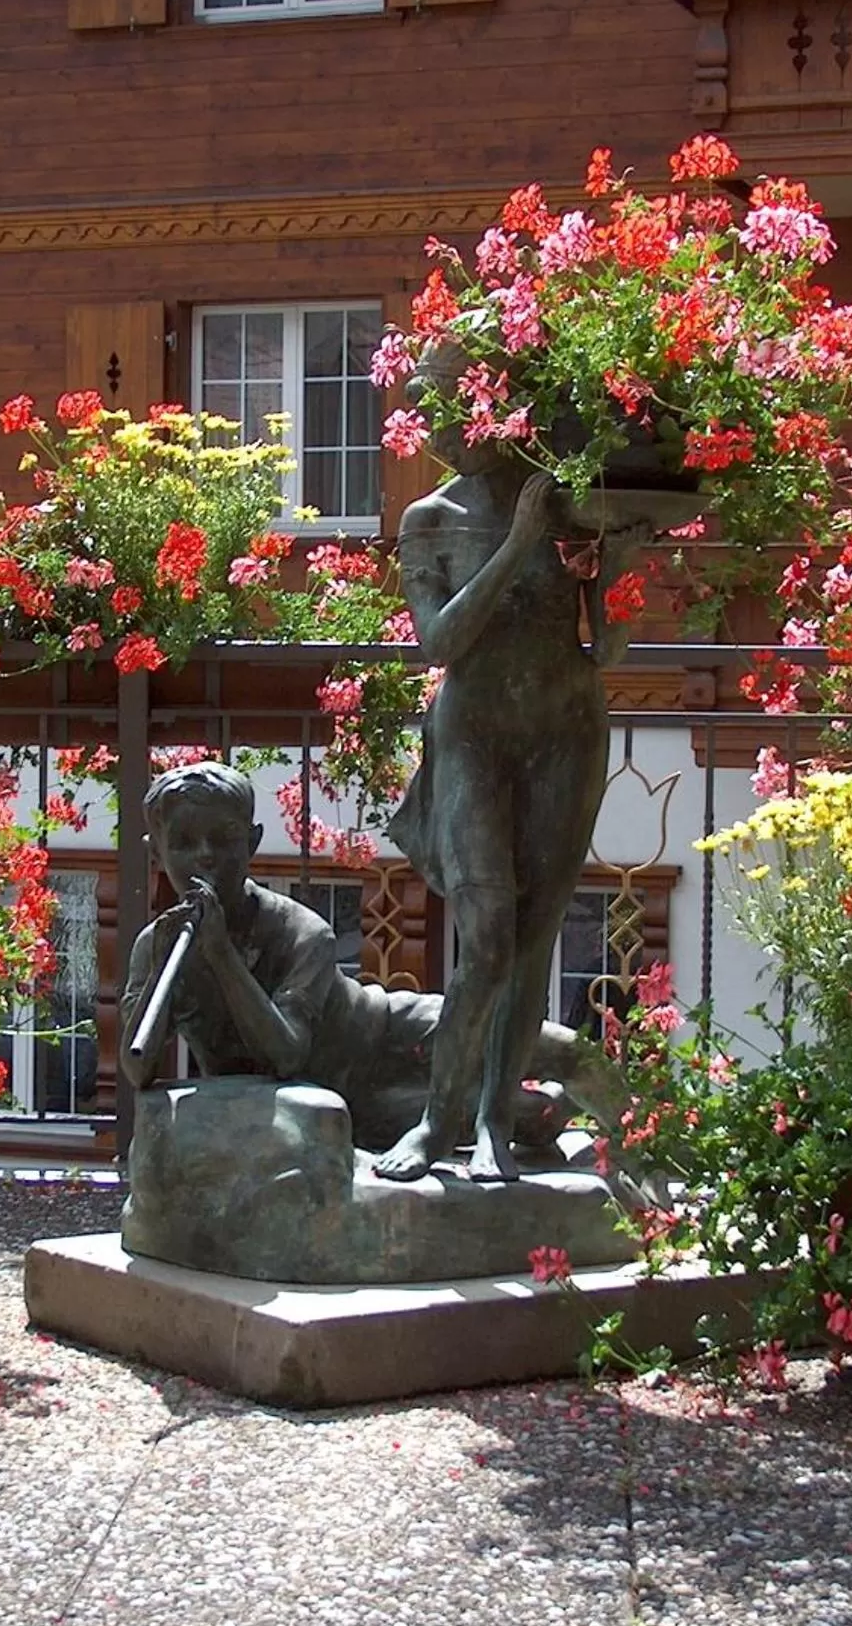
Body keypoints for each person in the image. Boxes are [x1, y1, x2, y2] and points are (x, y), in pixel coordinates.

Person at [373, 354, 664, 1181]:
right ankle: (440, 1123)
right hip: (474, 734)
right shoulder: (432, 519)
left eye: (449, 412)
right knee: (489, 941)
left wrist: (619, 570)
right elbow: (439, 642)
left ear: (495, 411)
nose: (435, 433)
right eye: (424, 417)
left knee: (536, 938)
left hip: (566, 727)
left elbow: (599, 647)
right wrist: (519, 545)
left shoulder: (569, 496)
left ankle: (500, 1119)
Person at [117, 762, 623, 1157]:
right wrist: (186, 960)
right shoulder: (157, 948)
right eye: (183, 844)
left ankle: (657, 1153)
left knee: (561, 1049)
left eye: (223, 840)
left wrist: (222, 957)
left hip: (384, 1029)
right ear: (156, 856)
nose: (204, 857)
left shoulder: (301, 931)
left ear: (250, 844)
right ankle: (562, 1124)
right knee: (530, 1114)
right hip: (346, 1101)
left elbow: (286, 1049)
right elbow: (137, 1069)